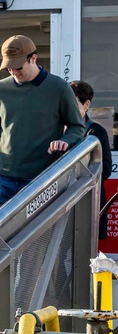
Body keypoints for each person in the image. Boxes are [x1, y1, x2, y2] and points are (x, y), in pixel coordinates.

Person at [0, 35, 86, 210]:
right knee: (2, 237)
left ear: (33, 59)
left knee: (38, 237)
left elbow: (77, 126)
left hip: (41, 179)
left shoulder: (59, 88)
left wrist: (65, 141)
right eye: (9, 68)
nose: (14, 72)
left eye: (18, 67)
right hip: (4, 180)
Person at [70, 80, 114, 237]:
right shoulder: (57, 130)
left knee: (85, 250)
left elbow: (106, 169)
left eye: (73, 103)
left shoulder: (96, 131)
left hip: (88, 200)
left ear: (86, 104)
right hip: (64, 201)